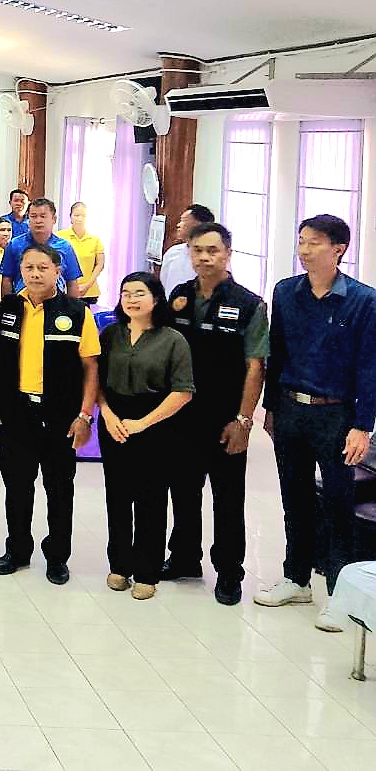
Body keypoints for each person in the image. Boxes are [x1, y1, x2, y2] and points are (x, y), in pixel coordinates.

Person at [256, 215, 376, 632]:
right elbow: (277, 353)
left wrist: (363, 425)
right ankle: (296, 578)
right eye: (301, 241)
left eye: (314, 243)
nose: (304, 250)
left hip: (336, 415)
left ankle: (340, 596)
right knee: (295, 497)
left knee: (339, 505)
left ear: (338, 249)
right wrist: (270, 407)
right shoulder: (286, 292)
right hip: (291, 408)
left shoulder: (363, 300)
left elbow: (369, 366)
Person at [164, 222, 268, 605]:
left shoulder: (248, 303)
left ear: (227, 254)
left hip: (225, 418)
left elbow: (255, 366)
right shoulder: (179, 296)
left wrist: (243, 420)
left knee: (227, 498)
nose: (205, 258)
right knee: (183, 491)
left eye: (213, 251)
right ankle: (184, 557)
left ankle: (229, 571)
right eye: (198, 251)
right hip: (182, 416)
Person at [0, 243, 100, 585]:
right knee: (17, 487)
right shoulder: (7, 307)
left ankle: (57, 557)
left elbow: (90, 367)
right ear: (20, 271)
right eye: (29, 268)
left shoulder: (76, 312)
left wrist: (85, 415)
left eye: (42, 268)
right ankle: (17, 550)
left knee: (59, 490)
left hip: (60, 416)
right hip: (16, 413)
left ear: (57, 271)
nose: (35, 274)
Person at [97, 272, 195, 600]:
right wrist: (107, 414)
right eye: (126, 293)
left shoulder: (173, 340)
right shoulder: (111, 334)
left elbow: (183, 392)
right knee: (117, 497)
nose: (131, 299)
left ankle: (147, 571)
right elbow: (96, 381)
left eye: (139, 293)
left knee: (150, 499)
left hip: (157, 424)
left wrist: (143, 423)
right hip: (114, 422)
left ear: (156, 299)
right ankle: (119, 565)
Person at [0, 198, 83, 298]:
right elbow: (7, 279)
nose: (38, 221)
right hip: (23, 301)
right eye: (33, 216)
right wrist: (7, 305)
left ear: (54, 219)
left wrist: (73, 307)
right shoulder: (14, 245)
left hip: (55, 302)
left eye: (43, 216)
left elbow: (72, 282)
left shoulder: (65, 247)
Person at [157, 203, 213, 295]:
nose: (178, 225)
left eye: (183, 221)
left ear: (198, 225)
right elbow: (164, 283)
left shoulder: (213, 256)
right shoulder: (172, 252)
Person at [59, 202, 106, 303]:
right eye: (76, 215)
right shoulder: (60, 237)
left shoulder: (95, 240)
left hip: (89, 292)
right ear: (70, 217)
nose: (80, 219)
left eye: (83, 216)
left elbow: (100, 264)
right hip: (65, 290)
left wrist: (87, 285)